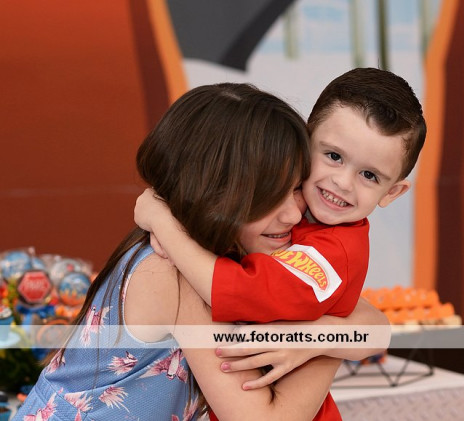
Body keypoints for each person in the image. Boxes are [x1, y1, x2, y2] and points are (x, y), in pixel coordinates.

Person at [14, 83, 387, 421]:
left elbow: (373, 324)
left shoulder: (217, 257)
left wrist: (316, 337)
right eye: (269, 196)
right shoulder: (176, 273)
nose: (292, 215)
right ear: (215, 192)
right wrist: (327, 344)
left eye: (295, 189)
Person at [134, 67, 425, 347]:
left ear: (392, 192)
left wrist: (163, 223)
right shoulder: (307, 216)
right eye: (334, 156)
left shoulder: (336, 251)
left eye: (369, 175)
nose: (343, 183)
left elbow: (242, 294)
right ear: (304, 140)